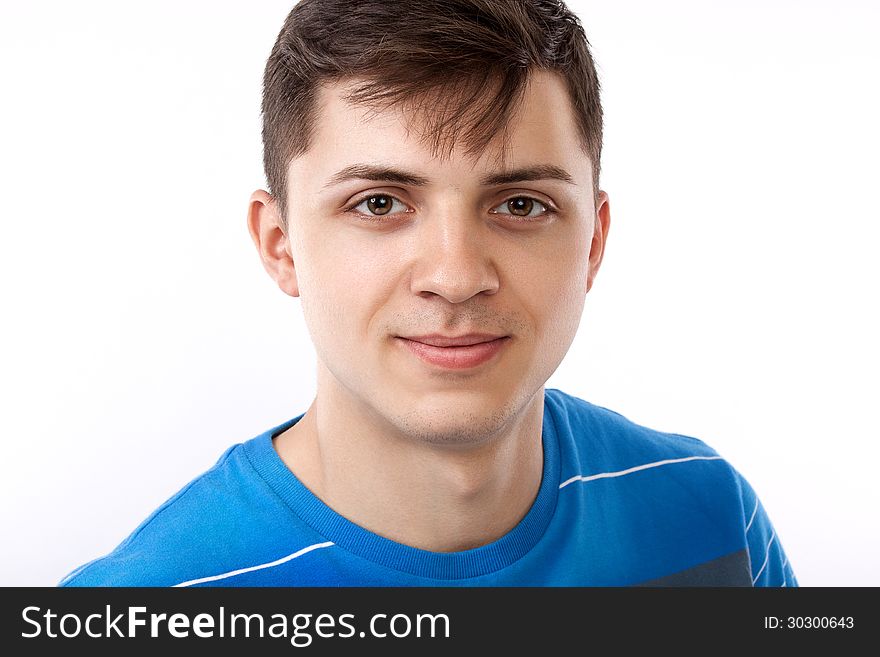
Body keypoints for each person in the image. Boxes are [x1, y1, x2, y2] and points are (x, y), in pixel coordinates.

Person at [60, 0, 796, 587]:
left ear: (593, 243)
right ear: (279, 245)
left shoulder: (713, 521)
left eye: (520, 205)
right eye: (379, 203)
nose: (454, 274)